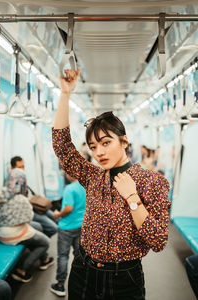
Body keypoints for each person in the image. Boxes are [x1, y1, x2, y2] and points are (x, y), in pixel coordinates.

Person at [52, 69, 171, 300]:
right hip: (83, 269)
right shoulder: (93, 176)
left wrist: (132, 198)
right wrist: (65, 94)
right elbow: (62, 147)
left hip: (124, 277)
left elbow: (158, 240)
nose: (99, 152)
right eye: (93, 146)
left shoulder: (152, 182)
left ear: (124, 141)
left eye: (106, 143)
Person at [0, 168, 54, 283]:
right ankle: (22, 270)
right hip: (14, 234)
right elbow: (28, 218)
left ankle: (44, 258)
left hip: (1, 232)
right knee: (45, 242)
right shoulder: (21, 199)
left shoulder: (1, 193)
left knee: (37, 226)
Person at [50, 173, 86, 296]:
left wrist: (58, 214)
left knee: (63, 256)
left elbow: (68, 208)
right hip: (80, 225)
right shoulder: (85, 185)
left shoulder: (70, 189)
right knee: (79, 255)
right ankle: (82, 282)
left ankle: (60, 286)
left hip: (66, 227)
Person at [8, 156, 58, 238]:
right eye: (19, 167)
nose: (22, 169)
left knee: (56, 218)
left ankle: (42, 239)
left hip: (33, 206)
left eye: (23, 166)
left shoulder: (22, 177)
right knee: (53, 228)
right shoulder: (12, 182)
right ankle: (42, 239)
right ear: (12, 168)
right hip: (26, 211)